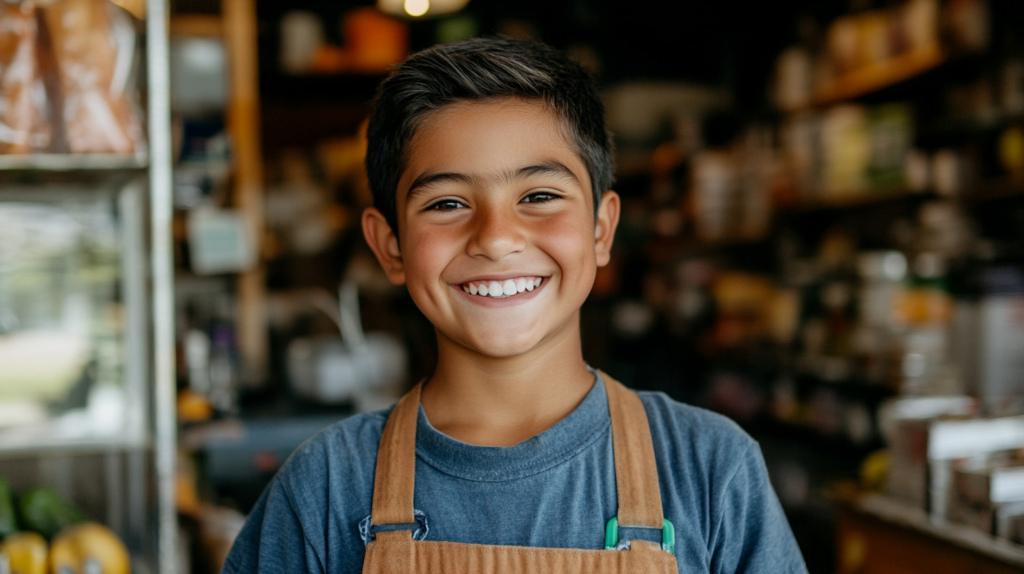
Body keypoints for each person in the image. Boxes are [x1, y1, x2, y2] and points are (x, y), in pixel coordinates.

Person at [222, 37, 808, 574]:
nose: (497, 237)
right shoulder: (325, 487)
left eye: (540, 195)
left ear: (601, 229)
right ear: (390, 246)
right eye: (448, 203)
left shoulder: (709, 469)